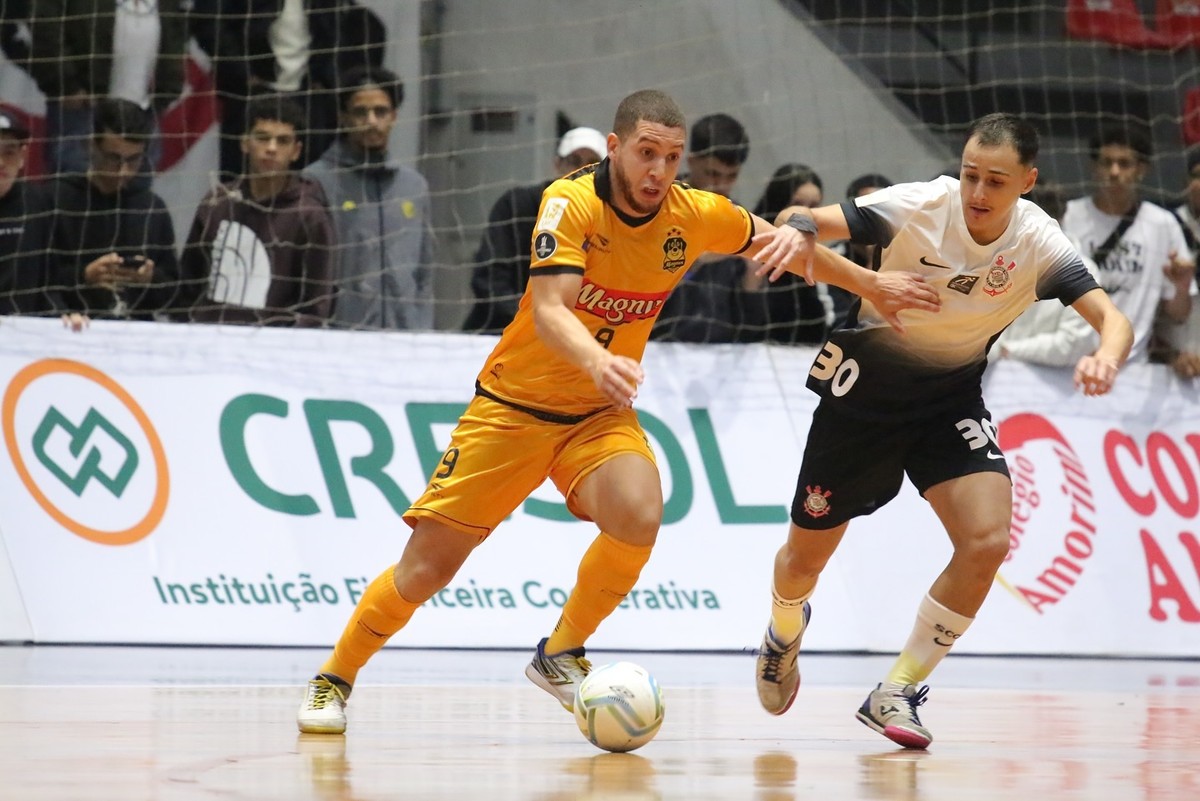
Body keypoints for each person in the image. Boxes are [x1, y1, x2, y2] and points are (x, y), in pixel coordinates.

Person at [295, 88, 940, 736]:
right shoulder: (570, 202)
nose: (657, 171)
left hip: (594, 417)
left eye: (671, 156)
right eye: (645, 153)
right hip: (514, 408)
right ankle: (334, 677)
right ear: (614, 147)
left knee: (639, 510)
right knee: (426, 568)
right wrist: (596, 360)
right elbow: (550, 310)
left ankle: (560, 651)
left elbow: (782, 246)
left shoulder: (693, 213)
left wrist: (873, 283)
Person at [749, 113, 1134, 749]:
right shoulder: (922, 204)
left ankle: (896, 690)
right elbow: (807, 219)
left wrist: (1106, 357)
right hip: (862, 396)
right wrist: (794, 231)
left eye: (996, 182)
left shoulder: (1040, 243)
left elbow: (1112, 319)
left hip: (947, 401)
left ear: (1028, 182)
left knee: (986, 540)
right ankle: (783, 631)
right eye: (970, 175)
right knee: (803, 560)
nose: (978, 194)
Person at [178, 93, 335, 326]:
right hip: (209, 342)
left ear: (296, 151)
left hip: (273, 351)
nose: (271, 148)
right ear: (244, 143)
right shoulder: (217, 203)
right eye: (262, 138)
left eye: (282, 141)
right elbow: (188, 285)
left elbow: (317, 304)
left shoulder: (309, 215)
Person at [304, 66, 434, 330]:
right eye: (361, 112)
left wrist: (422, 329)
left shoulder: (413, 186)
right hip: (339, 339)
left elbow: (424, 270)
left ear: (394, 116)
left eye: (381, 111)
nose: (372, 121)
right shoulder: (316, 182)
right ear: (343, 117)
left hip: (405, 340)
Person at [1060, 124, 1194, 364]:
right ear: (1093, 167)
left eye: (1124, 163)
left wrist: (1182, 287)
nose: (1114, 171)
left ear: (1141, 169)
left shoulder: (1162, 224)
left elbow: (1178, 314)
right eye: (1106, 162)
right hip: (1067, 362)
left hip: (1130, 367)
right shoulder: (1068, 217)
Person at [461, 125, 608, 334]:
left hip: (572, 336)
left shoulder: (609, 219)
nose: (581, 171)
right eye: (573, 161)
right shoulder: (517, 205)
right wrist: (542, 321)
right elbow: (489, 280)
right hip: (501, 331)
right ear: (557, 164)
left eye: (591, 164)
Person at [46, 97, 179, 320]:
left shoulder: (152, 208)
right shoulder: (53, 200)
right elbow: (32, 282)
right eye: (113, 158)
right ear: (91, 145)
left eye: (134, 160)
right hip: (71, 332)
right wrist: (84, 276)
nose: (123, 171)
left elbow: (175, 292)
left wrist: (150, 279)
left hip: (136, 338)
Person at [28, 1, 188, 181]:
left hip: (142, 116)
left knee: (137, 193)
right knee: (75, 187)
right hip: (84, 111)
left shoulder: (166, 4)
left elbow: (176, 41)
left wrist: (166, 93)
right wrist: (67, 86)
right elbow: (46, 32)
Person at [651, 112, 760, 343]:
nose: (721, 185)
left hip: (719, 350)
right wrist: (696, 260)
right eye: (712, 173)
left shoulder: (737, 215)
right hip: (656, 346)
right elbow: (644, 284)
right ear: (690, 161)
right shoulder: (659, 203)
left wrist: (754, 272)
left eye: (731, 176)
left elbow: (748, 309)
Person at [993, 183, 1103, 366]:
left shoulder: (1084, 269)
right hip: (991, 381)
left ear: (1059, 220)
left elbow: (1072, 345)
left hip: (1057, 388)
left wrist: (1005, 350)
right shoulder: (996, 259)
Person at [747, 163, 829, 344]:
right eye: (797, 204)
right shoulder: (748, 242)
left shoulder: (816, 254)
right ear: (779, 202)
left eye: (813, 207)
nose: (804, 214)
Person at [825, 173, 894, 331]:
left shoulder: (904, 250)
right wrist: (873, 260)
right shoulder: (834, 256)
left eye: (883, 208)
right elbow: (842, 324)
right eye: (869, 209)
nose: (876, 217)